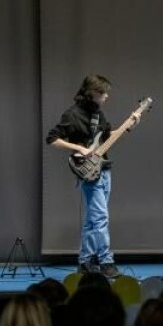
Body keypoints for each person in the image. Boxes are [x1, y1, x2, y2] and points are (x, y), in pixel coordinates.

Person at [46, 74, 134, 278]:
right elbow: (52, 138)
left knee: (92, 220)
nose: (106, 96)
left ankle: (85, 262)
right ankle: (106, 261)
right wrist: (79, 148)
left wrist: (129, 125)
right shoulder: (72, 115)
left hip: (104, 169)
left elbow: (107, 137)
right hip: (88, 171)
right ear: (92, 92)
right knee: (100, 218)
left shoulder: (98, 114)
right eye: (103, 93)